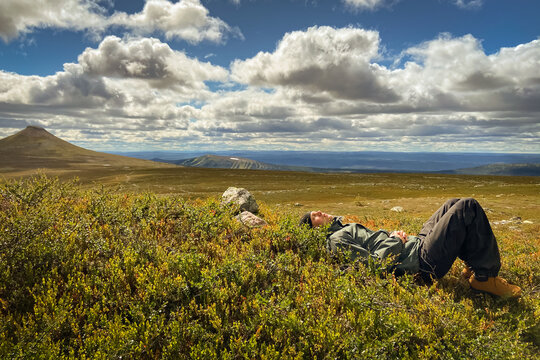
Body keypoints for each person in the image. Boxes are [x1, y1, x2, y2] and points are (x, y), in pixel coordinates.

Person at [299, 198, 521, 298]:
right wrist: (395, 239)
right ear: (314, 230)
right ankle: (486, 277)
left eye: (316, 211)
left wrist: (397, 239)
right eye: (314, 217)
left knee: (452, 204)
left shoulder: (342, 228)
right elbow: (374, 265)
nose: (319, 212)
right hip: (422, 262)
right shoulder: (336, 241)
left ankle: (472, 268)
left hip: (416, 246)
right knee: (467, 207)